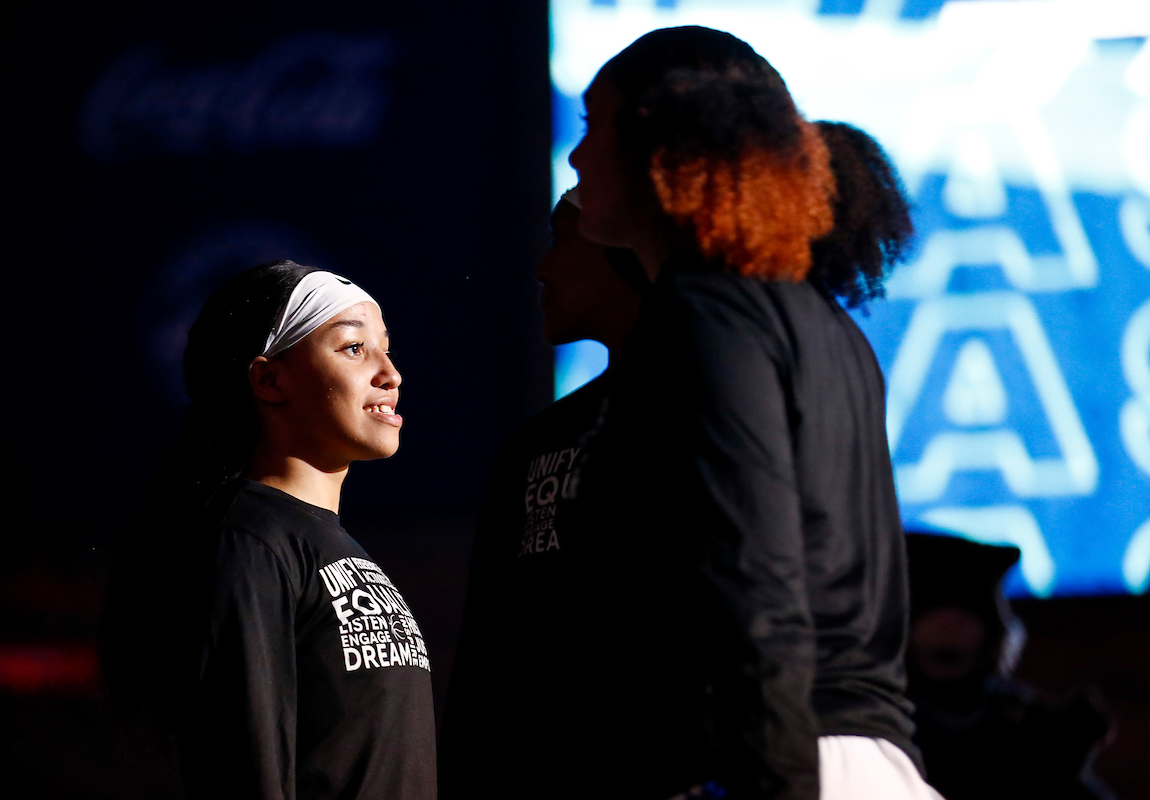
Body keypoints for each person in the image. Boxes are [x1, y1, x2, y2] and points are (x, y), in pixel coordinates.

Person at [563, 26, 937, 799]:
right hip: (847, 757)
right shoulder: (824, 324)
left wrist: (773, 780)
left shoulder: (706, 315)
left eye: (591, 127)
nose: (574, 159)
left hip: (776, 759)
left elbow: (753, 576)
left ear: (662, 145)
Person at [102, 260, 436, 800]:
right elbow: (243, 765)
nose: (390, 374)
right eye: (354, 348)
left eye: (386, 347)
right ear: (269, 379)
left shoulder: (325, 544)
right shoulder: (250, 540)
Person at [437, 188, 646, 798]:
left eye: (561, 240)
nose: (541, 268)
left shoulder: (715, 412)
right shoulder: (537, 442)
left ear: (623, 246)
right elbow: (487, 657)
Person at [905, 532, 1113, 800]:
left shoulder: (1022, 720)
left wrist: (1064, 773)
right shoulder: (877, 715)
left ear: (992, 634)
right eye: (933, 616)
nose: (949, 630)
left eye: (965, 617)